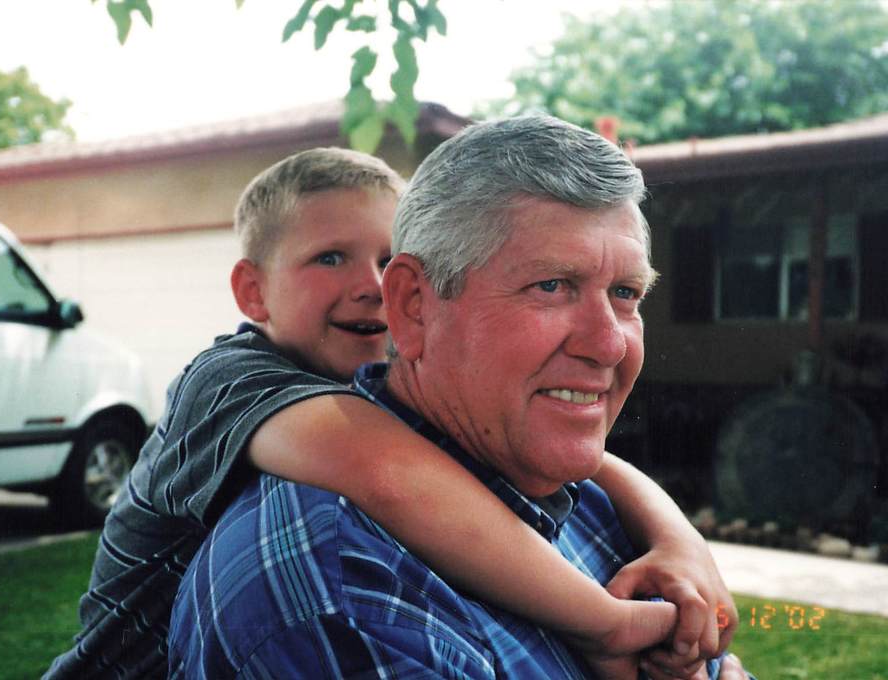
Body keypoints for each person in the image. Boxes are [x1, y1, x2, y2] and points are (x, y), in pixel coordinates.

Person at [168, 118, 753, 680]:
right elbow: (383, 470)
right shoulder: (342, 593)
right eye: (551, 286)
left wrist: (683, 542)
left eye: (626, 293)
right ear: (412, 307)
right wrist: (612, 624)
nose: (607, 345)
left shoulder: (573, 490)